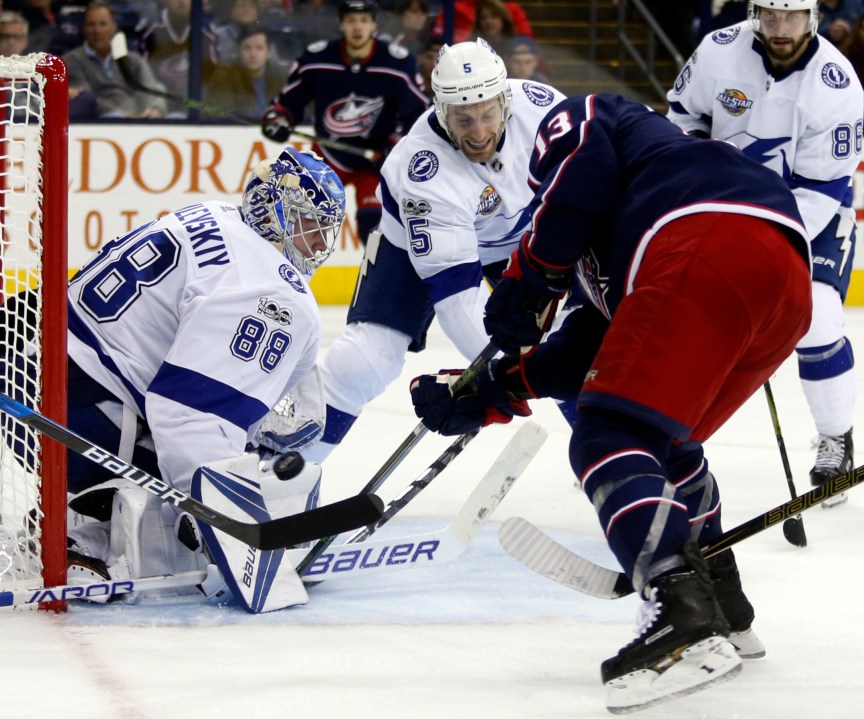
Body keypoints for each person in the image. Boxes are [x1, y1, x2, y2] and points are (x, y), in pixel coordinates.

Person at [408, 93, 812, 713]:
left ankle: (683, 617)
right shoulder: (618, 246)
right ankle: (723, 603)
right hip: (780, 283)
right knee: (661, 436)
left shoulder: (603, 122)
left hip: (705, 236)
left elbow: (582, 154)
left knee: (605, 435)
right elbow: (584, 350)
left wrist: (532, 271)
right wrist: (494, 388)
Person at [63, 147, 347, 612]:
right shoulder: (267, 286)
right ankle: (83, 537)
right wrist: (221, 520)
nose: (318, 244)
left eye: (325, 229)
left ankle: (79, 521)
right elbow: (190, 413)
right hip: (72, 404)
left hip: (31, 357)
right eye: (308, 224)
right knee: (198, 489)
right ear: (271, 209)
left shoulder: (214, 215)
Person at [301, 38, 566, 464]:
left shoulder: (543, 108)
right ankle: (287, 472)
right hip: (410, 244)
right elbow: (459, 301)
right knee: (367, 357)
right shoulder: (424, 171)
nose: (478, 132)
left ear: (505, 99)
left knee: (578, 341)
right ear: (441, 110)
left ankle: (617, 456)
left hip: (520, 236)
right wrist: (504, 380)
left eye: (487, 114)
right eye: (463, 119)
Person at [666, 0, 863, 505]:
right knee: (691, 313)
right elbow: (682, 116)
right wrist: (698, 164)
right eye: (769, 15)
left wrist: (761, 250)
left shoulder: (836, 85)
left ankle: (836, 437)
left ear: (812, 17)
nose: (779, 28)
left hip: (811, 217)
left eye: (791, 16)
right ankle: (667, 440)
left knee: (817, 315)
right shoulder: (718, 50)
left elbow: (821, 190)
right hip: (722, 205)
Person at [261, 0, 429, 246]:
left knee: (374, 231)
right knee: (303, 223)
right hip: (329, 157)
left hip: (375, 163)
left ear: (374, 24)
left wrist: (396, 146)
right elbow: (289, 102)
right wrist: (279, 117)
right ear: (341, 24)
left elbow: (418, 116)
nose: (357, 27)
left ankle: (378, 281)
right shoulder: (318, 58)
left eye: (363, 20)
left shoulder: (397, 65)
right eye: (351, 20)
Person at [62, 0, 167, 118]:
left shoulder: (133, 60)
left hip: (138, 120)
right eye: (91, 25)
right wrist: (123, 115)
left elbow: (152, 89)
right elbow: (87, 101)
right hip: (98, 123)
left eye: (103, 24)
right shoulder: (71, 61)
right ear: (84, 29)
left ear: (113, 28)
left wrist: (155, 110)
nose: (97, 31)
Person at [140, 0, 218, 117]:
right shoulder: (150, 33)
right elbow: (144, 76)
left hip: (191, 103)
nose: (182, 2)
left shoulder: (205, 36)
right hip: (159, 101)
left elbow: (211, 77)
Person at [205, 22, 287, 120]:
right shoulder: (225, 75)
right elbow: (219, 116)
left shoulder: (280, 76)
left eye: (259, 48)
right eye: (247, 48)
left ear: (268, 52)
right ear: (238, 51)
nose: (253, 54)